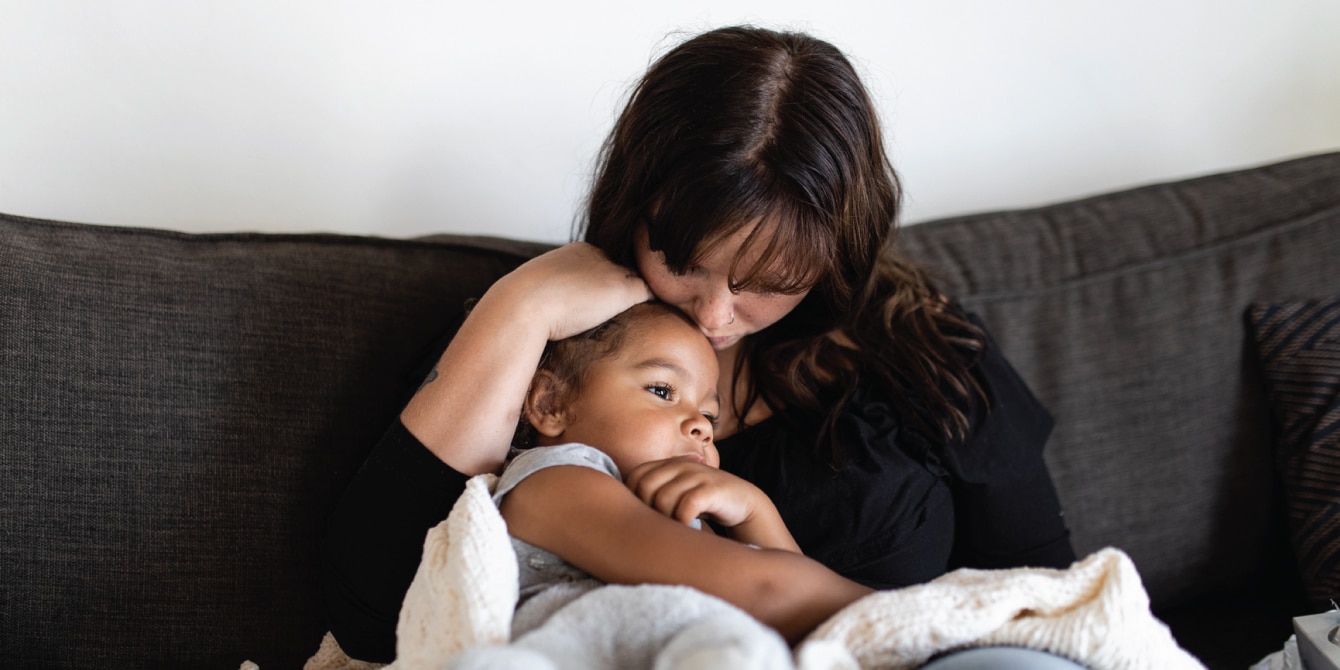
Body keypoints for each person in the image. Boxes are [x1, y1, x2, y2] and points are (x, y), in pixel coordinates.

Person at [322, 25, 1077, 667]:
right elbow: (379, 613)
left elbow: (1041, 597)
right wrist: (522, 305)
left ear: (831, 260)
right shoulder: (555, 359)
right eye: (682, 263)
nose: (716, 315)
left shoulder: (921, 346)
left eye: (768, 282)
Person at [449, 301, 867, 669]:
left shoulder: (676, 503)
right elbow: (766, 590)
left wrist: (756, 510)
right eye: (663, 390)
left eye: (710, 416)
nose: (701, 425)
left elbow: (808, 620)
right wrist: (894, 611)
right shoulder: (556, 480)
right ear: (551, 403)